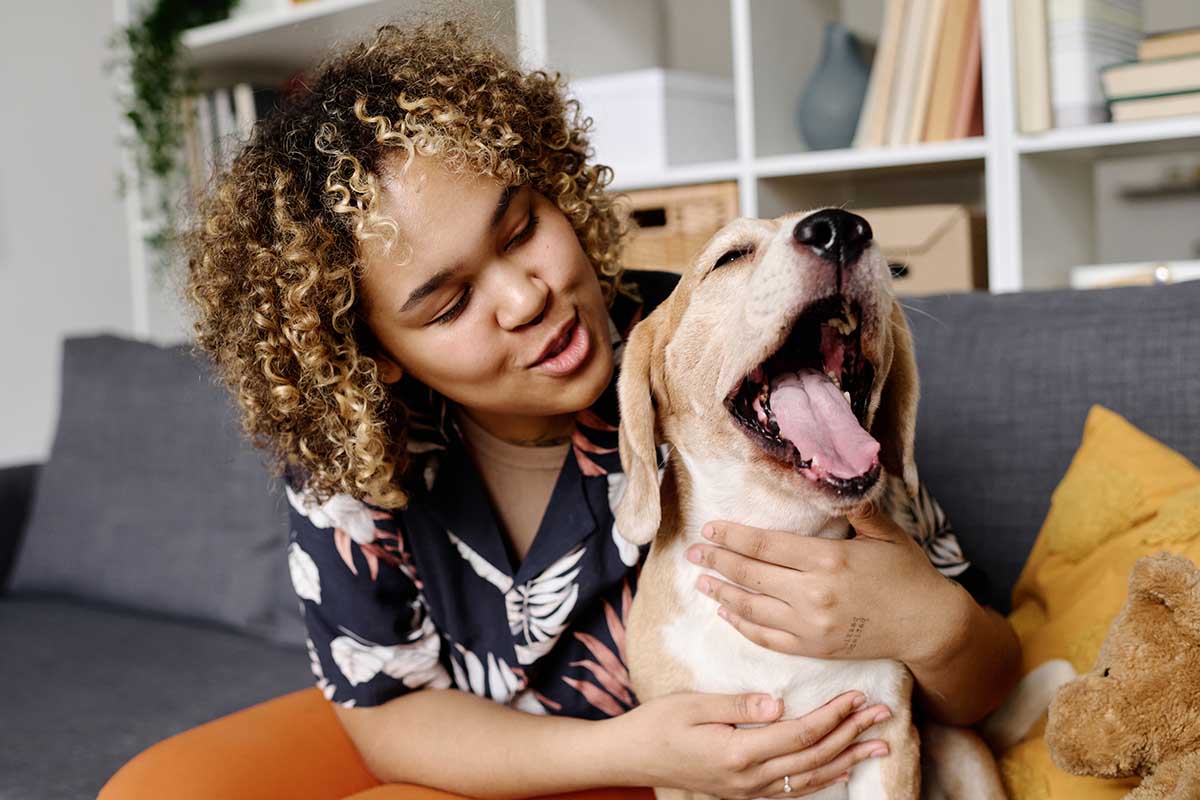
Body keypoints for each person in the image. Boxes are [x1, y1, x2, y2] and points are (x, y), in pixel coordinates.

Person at [99, 12, 1020, 800]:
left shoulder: (722, 345)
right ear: (372, 352)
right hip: (523, 762)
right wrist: (632, 746)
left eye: (521, 226)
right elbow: (385, 710)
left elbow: (981, 677)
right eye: (450, 304)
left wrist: (924, 622)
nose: (526, 297)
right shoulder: (349, 458)